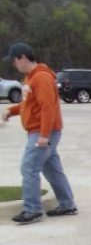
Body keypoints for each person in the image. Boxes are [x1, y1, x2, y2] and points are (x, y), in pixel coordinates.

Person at [2, 41, 77, 224]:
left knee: (28, 167)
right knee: (52, 170)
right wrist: (11, 111)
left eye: (14, 61)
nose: (14, 65)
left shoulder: (41, 77)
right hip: (41, 131)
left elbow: (48, 108)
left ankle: (32, 210)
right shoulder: (30, 78)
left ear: (23, 58)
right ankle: (67, 204)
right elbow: (29, 104)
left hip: (43, 132)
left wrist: (44, 135)